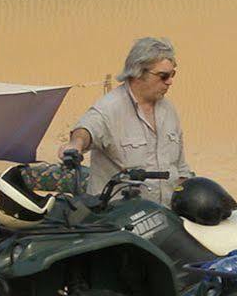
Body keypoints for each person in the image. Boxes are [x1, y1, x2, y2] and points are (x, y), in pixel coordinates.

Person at [61, 36, 192, 206]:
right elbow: (86, 129)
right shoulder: (110, 108)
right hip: (117, 222)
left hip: (164, 218)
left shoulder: (169, 110)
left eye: (172, 74)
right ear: (138, 73)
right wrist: (75, 145)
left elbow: (181, 170)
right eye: (163, 76)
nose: (170, 82)